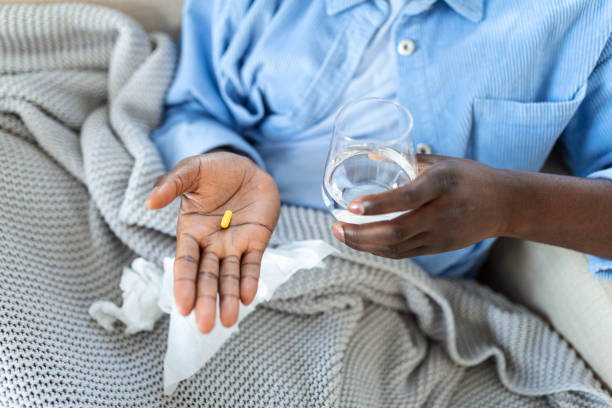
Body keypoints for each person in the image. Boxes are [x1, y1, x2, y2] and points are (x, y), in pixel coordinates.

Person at [145, 0, 612, 334]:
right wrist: (227, 158)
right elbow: (194, 105)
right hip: (220, 233)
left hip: (393, 300)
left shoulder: (581, 16)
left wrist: (510, 205)